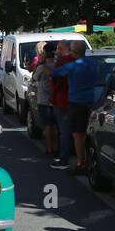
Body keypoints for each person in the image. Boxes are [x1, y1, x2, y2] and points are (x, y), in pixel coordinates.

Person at [62, 40, 100, 174]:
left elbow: (55, 73)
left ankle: (81, 163)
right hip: (91, 100)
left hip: (76, 103)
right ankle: (87, 161)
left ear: (74, 52)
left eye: (71, 51)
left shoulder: (72, 66)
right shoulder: (93, 64)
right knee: (86, 133)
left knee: (78, 135)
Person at [49, 40, 74, 169]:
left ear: (65, 49)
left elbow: (53, 76)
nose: (57, 51)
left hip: (62, 99)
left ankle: (64, 159)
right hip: (71, 99)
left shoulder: (62, 62)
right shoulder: (77, 61)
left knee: (64, 131)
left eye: (59, 48)